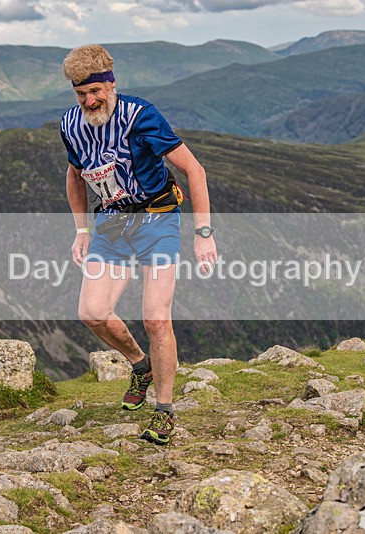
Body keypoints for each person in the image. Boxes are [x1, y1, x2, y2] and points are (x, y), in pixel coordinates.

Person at [60, 44, 217, 445]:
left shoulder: (140, 115)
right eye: (82, 95)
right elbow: (75, 175)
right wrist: (81, 231)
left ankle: (164, 409)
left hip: (157, 220)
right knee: (92, 312)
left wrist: (204, 234)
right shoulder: (71, 125)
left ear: (111, 83)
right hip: (112, 227)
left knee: (155, 318)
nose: (90, 101)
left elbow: (194, 170)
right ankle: (140, 365)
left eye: (96, 91)